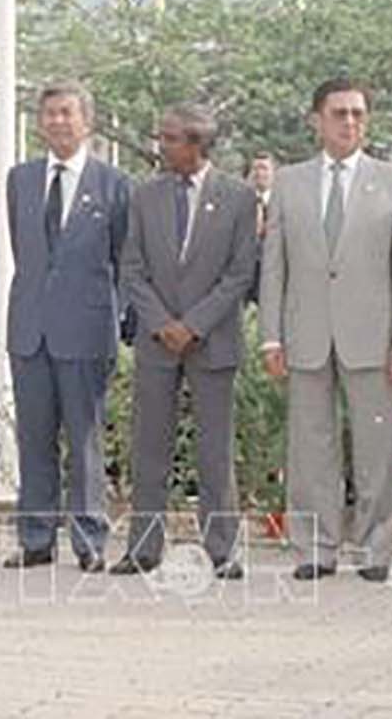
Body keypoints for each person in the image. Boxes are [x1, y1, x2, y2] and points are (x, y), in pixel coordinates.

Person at [259, 77, 392, 582]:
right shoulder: (289, 182)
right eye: (339, 113)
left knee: (377, 447)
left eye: (357, 113)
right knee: (310, 446)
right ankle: (315, 547)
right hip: (306, 332)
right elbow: (274, 265)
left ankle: (375, 549)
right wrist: (271, 335)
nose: (349, 122)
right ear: (317, 120)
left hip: (372, 336)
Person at [115, 103, 258, 578]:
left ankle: (222, 549)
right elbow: (131, 268)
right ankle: (143, 547)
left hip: (212, 341)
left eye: (171, 138)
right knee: (150, 446)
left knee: (214, 451)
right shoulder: (144, 195)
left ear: (197, 143)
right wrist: (162, 324)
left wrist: (193, 324)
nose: (161, 146)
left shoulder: (238, 197)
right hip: (157, 342)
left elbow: (239, 274)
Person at [2, 80, 129, 571]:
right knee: (33, 439)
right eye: (49, 113)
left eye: (67, 113)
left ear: (87, 122)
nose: (57, 121)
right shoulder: (21, 179)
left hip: (85, 332)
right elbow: (25, 250)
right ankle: (35, 538)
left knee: (84, 440)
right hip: (30, 331)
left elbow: (121, 260)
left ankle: (89, 539)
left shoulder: (113, 184)